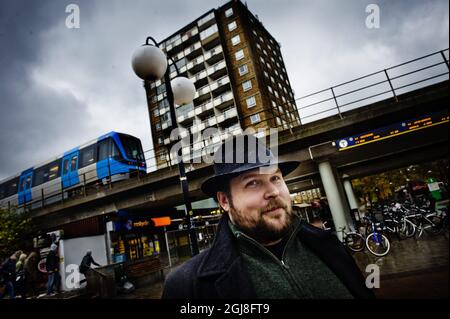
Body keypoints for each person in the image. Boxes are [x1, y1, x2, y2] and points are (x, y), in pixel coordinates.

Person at [162, 135, 374, 299]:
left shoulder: (329, 246)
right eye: (252, 183)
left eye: (275, 178)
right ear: (225, 201)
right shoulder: (188, 286)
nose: (273, 191)